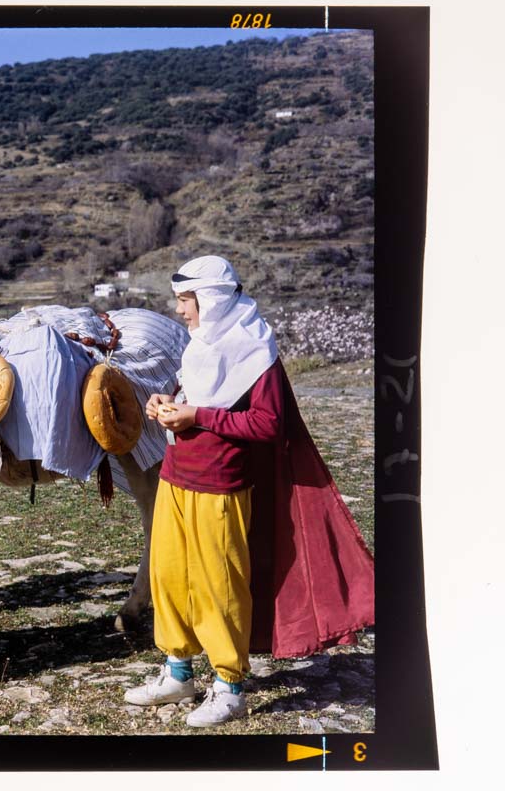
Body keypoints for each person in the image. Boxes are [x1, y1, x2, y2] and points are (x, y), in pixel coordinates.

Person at [125, 255, 374, 727]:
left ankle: (229, 686)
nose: (180, 310)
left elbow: (268, 423)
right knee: (170, 577)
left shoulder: (255, 352)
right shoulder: (203, 345)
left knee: (219, 585)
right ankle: (178, 673)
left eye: (186, 300)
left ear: (212, 300)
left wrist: (197, 416)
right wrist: (168, 404)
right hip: (177, 477)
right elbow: (196, 398)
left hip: (220, 486)